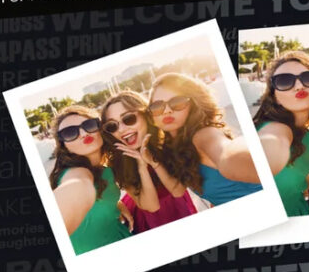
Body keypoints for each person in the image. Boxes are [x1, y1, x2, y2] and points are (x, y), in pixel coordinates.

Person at [100, 90, 208, 232]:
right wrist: (142, 166)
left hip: (178, 207)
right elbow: (152, 206)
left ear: (145, 115)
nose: (121, 129)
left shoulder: (167, 143)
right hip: (148, 220)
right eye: (112, 126)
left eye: (128, 119)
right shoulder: (118, 162)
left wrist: (154, 162)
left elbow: (178, 191)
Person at [148, 72, 261, 206]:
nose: (167, 110)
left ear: (193, 104)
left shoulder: (203, 135)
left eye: (177, 102)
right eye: (157, 106)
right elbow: (180, 192)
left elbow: (228, 154)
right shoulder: (176, 147)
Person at [48, 105, 131, 254]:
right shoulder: (77, 175)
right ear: (64, 146)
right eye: (69, 133)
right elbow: (77, 186)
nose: (83, 133)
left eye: (89, 125)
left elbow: (99, 193)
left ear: (100, 128)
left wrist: (116, 204)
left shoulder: (106, 170)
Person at [252, 51, 309, 217]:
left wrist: (305, 175)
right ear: (274, 97)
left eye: (308, 78)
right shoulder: (275, 130)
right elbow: (272, 142)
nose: (299, 86)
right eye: (284, 81)